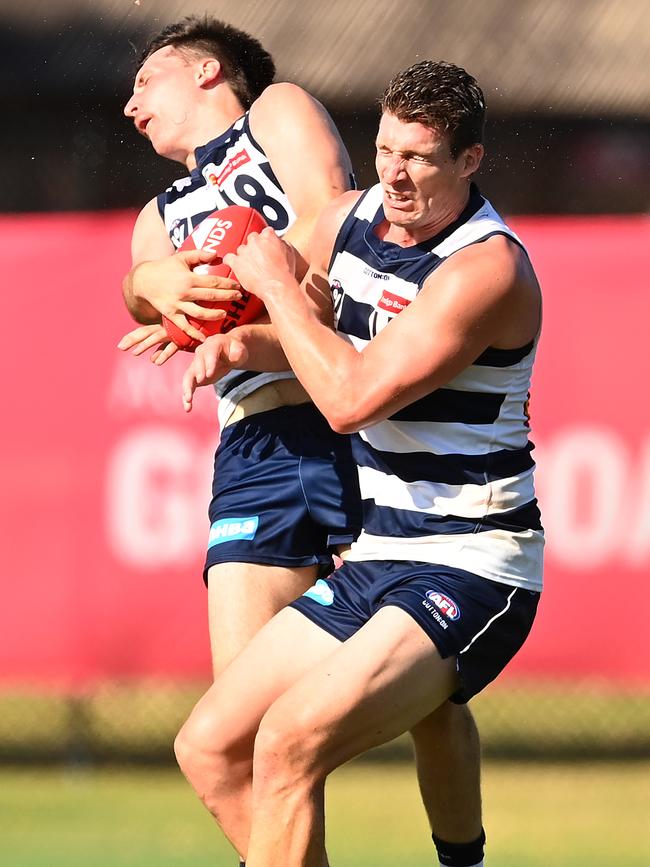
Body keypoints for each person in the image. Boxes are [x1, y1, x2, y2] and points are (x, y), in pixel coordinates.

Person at [120, 19, 487, 867]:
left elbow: (325, 227)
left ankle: (463, 859)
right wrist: (152, 283)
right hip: (259, 451)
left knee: (435, 702)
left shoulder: (275, 114)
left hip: (353, 419)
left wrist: (239, 287)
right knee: (243, 743)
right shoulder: (159, 213)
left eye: (147, 80)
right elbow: (143, 287)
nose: (131, 102)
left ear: (209, 70)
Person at [179, 59, 544, 867]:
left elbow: (351, 396)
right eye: (384, 149)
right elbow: (302, 327)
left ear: (471, 159)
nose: (395, 173)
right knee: (209, 745)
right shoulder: (352, 218)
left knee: (288, 741)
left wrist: (274, 287)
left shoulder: (486, 270)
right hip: (378, 555)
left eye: (419, 157)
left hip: (472, 567)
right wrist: (242, 337)